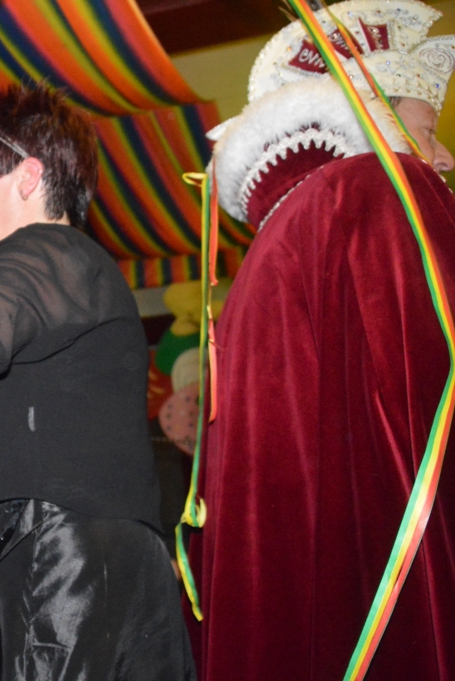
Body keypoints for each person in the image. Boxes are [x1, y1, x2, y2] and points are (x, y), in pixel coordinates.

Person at [0, 83, 195, 680]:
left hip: (50, 566)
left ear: (27, 177)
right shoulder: (72, 272)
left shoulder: (47, 249)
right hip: (78, 565)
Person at [186, 1, 455, 679]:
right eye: (428, 130)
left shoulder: (273, 245)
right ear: (380, 121)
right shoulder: (379, 192)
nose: (444, 155)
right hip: (379, 594)